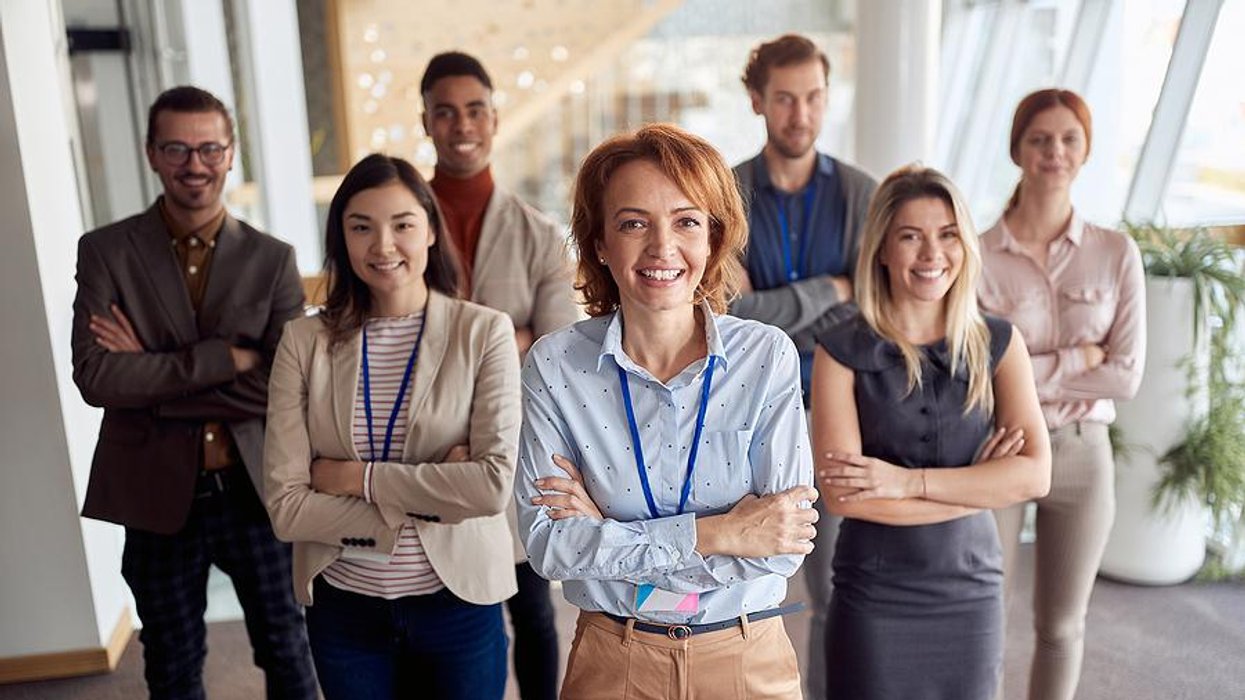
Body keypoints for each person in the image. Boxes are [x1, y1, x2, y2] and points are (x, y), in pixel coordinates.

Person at [515, 124, 818, 700]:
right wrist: (722, 531)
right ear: (600, 244)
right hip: (614, 660)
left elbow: (779, 547)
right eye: (633, 223)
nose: (662, 247)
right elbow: (551, 548)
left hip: (745, 657)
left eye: (686, 221)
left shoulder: (766, 355)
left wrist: (610, 536)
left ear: (712, 239)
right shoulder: (556, 366)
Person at [71, 86, 316, 699]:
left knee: (290, 651)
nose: (195, 164)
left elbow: (283, 386)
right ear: (152, 153)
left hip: (255, 490)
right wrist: (223, 360)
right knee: (172, 665)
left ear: (231, 154)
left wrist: (151, 378)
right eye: (177, 148)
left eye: (209, 148)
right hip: (154, 493)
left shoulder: (273, 260)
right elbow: (96, 378)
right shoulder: (105, 250)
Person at [263, 154, 521, 699]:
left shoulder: (483, 333)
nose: (383, 246)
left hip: (457, 603)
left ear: (430, 230)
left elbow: (492, 486)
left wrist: (354, 477)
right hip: (345, 609)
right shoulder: (303, 342)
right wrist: (433, 489)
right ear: (342, 238)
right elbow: (286, 508)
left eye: (402, 224)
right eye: (362, 227)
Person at [810, 165, 1052, 699]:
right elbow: (844, 495)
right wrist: (982, 483)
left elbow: (1035, 475)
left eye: (947, 236)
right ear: (882, 250)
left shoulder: (999, 344)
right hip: (874, 596)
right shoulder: (838, 352)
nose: (931, 254)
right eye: (911, 237)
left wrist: (903, 483)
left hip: (972, 591)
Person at [421, 51, 579, 699]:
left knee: (532, 610)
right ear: (426, 122)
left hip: (513, 449)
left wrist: (488, 339)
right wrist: (504, 334)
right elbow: (389, 339)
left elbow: (556, 349)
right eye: (446, 112)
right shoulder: (405, 223)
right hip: (422, 443)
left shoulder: (538, 234)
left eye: (475, 110)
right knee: (447, 609)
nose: (462, 124)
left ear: (493, 118)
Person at [979, 89, 1146, 700]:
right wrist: (1078, 360)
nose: (1055, 151)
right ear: (1017, 149)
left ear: (1086, 150)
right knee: (984, 617)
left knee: (1061, 626)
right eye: (1040, 139)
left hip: (1082, 453)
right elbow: (976, 372)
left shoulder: (1115, 252)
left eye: (1068, 139)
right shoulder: (975, 256)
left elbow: (1125, 375)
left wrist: (1022, 371)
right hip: (1003, 447)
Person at [730, 35, 878, 696]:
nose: (800, 114)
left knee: (829, 586)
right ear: (757, 100)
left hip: (834, 412)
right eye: (784, 99)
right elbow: (729, 319)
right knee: (735, 579)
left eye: (813, 97)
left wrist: (769, 307)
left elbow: (866, 316)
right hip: (740, 413)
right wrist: (829, 289)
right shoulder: (723, 193)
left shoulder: (861, 194)